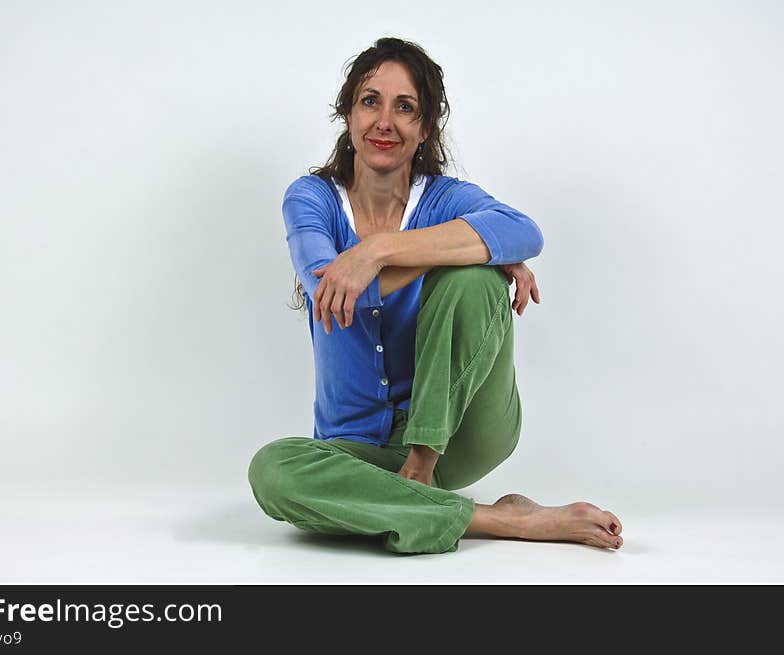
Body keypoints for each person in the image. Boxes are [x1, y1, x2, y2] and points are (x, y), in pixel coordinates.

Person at [248, 37, 623, 554]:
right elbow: (330, 290)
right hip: (354, 448)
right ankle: (507, 520)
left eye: (406, 107)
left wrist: (378, 251)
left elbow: (524, 231)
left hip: (459, 437)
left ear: (425, 128)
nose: (385, 121)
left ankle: (420, 466)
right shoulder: (311, 198)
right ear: (347, 114)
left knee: (474, 279)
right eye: (370, 100)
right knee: (272, 470)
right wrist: (467, 246)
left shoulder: (445, 198)